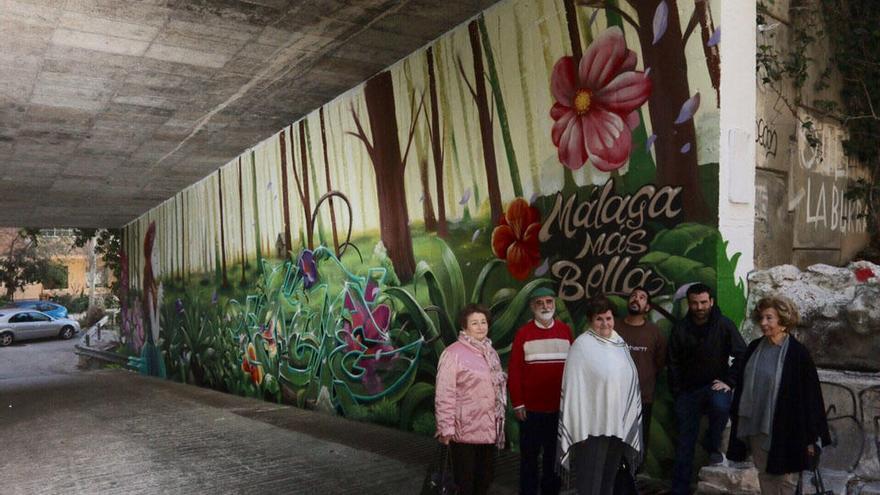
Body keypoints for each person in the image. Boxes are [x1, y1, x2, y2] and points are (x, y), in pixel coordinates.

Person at [727, 296, 830, 495]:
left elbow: (811, 398)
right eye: (761, 318)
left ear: (783, 321)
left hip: (786, 429)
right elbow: (742, 385)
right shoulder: (754, 347)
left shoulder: (797, 354)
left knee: (785, 480)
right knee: (765, 474)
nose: (763, 323)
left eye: (769, 318)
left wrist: (812, 437)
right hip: (756, 426)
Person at [668, 283, 746, 495]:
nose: (699, 307)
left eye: (703, 302)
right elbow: (672, 363)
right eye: (694, 303)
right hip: (688, 391)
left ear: (711, 301)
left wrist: (729, 381)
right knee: (684, 444)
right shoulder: (680, 329)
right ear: (689, 304)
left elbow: (742, 354)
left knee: (721, 405)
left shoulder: (724, 325)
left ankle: (712, 445)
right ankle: (679, 490)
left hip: (715, 386)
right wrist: (678, 392)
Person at [558, 295, 642, 495]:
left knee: (608, 479)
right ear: (590, 321)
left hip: (617, 424)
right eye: (599, 319)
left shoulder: (618, 342)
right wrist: (579, 426)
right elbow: (573, 389)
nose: (605, 323)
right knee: (590, 482)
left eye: (609, 318)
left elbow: (629, 379)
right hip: (592, 428)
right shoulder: (582, 346)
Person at [435, 304, 507, 495]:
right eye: (474, 323)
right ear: (464, 327)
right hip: (463, 432)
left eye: (483, 322)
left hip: (489, 432)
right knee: (464, 484)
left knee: (484, 482)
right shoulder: (452, 353)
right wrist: (446, 428)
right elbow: (444, 393)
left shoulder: (491, 353)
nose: (481, 327)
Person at [508, 287, 573, 495]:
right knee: (529, 457)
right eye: (540, 303)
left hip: (558, 410)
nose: (545, 306)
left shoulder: (565, 331)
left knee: (553, 458)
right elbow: (515, 371)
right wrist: (518, 403)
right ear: (531, 307)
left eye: (549, 302)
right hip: (531, 411)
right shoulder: (523, 334)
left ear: (554, 304)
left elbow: (574, 369)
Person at [615, 287, 667, 457]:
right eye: (633, 296)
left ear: (647, 307)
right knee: (613, 441)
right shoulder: (613, 327)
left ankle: (633, 478)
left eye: (642, 297)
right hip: (614, 396)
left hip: (642, 396)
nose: (636, 299)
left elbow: (660, 363)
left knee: (638, 444)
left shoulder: (655, 332)